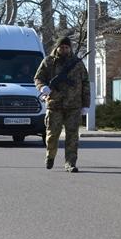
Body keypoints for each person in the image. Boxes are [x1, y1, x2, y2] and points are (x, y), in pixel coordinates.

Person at [34, 36, 90, 173]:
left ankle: (70, 163)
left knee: (72, 136)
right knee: (52, 135)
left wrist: (86, 104)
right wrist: (42, 87)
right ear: (57, 47)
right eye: (62, 47)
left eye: (66, 47)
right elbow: (38, 78)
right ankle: (50, 156)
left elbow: (85, 83)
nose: (64, 49)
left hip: (74, 105)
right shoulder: (48, 62)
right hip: (54, 104)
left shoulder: (77, 63)